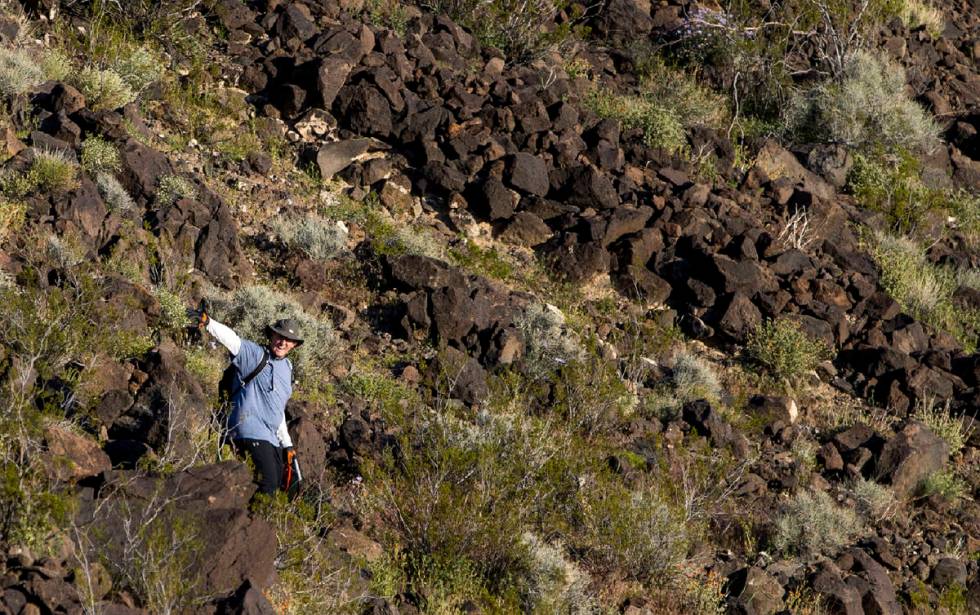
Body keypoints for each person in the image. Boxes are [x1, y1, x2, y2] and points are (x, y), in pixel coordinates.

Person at [187, 302, 300, 496]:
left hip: (271, 437)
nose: (283, 342)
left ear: (295, 344)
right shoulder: (256, 355)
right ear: (272, 335)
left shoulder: (287, 368)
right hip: (249, 431)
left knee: (283, 487)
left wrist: (287, 444)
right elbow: (233, 340)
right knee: (269, 484)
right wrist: (208, 322)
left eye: (289, 339)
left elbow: (277, 408)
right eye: (280, 336)